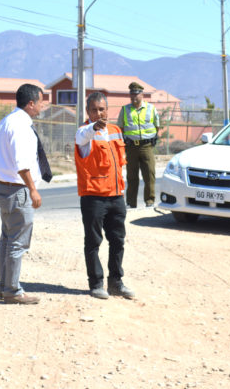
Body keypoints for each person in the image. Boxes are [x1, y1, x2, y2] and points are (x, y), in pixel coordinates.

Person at [0, 83, 52, 305]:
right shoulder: (20, 126)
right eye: (40, 101)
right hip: (18, 189)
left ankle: (6, 286)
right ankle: (13, 291)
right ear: (31, 103)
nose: (42, 106)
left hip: (4, 187)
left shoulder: (6, 122)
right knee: (17, 242)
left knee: (7, 240)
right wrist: (33, 190)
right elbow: (22, 163)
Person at [75, 92, 135, 300]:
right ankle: (96, 284)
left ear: (107, 110)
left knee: (118, 240)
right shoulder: (84, 132)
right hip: (94, 197)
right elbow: (83, 136)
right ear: (88, 112)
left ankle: (116, 283)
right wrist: (93, 127)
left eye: (102, 109)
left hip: (116, 195)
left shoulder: (116, 131)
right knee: (93, 241)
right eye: (94, 110)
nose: (98, 113)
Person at [117, 81, 160, 208]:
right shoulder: (125, 110)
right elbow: (121, 128)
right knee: (131, 176)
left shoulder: (151, 109)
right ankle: (131, 203)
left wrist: (150, 139)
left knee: (149, 174)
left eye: (136, 94)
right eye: (132, 94)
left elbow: (157, 126)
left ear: (142, 95)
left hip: (146, 146)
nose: (134, 97)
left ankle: (150, 201)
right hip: (131, 147)